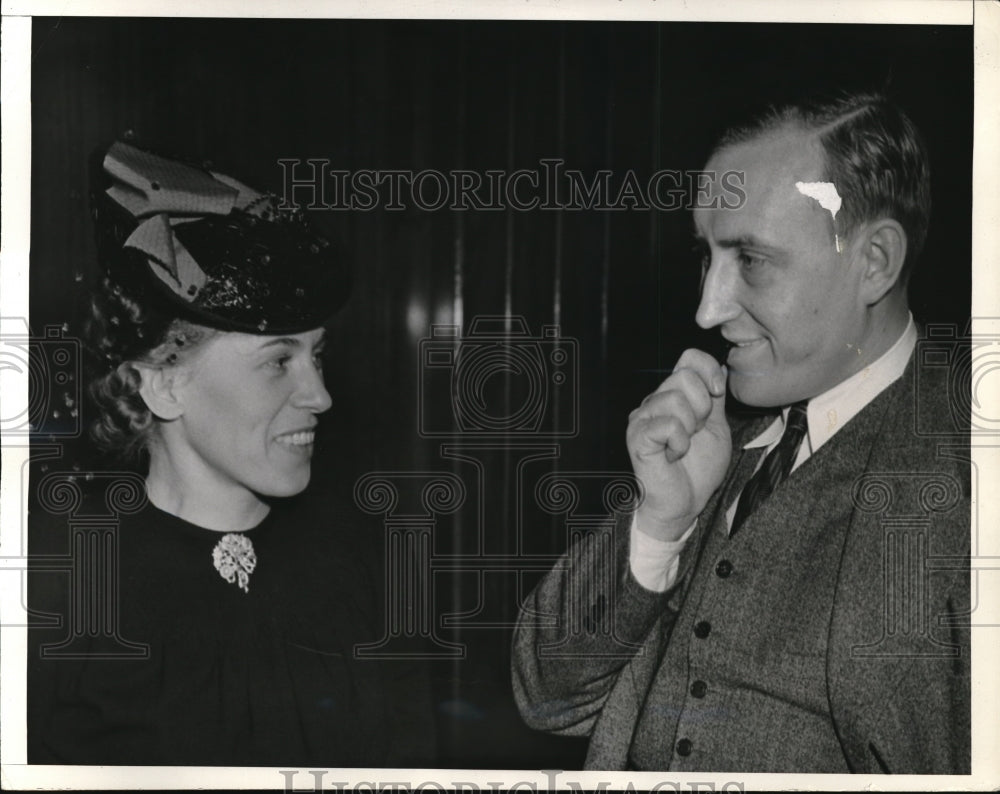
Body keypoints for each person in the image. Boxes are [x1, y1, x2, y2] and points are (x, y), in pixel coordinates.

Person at [512, 91, 970, 774]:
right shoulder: (712, 438)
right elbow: (545, 698)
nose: (706, 309)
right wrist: (662, 522)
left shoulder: (969, 471)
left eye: (750, 260)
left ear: (873, 261)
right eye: (707, 257)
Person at [28, 141, 434, 766]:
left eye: (316, 355)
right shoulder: (59, 582)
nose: (320, 395)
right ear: (164, 383)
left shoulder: (362, 564)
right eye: (278, 361)